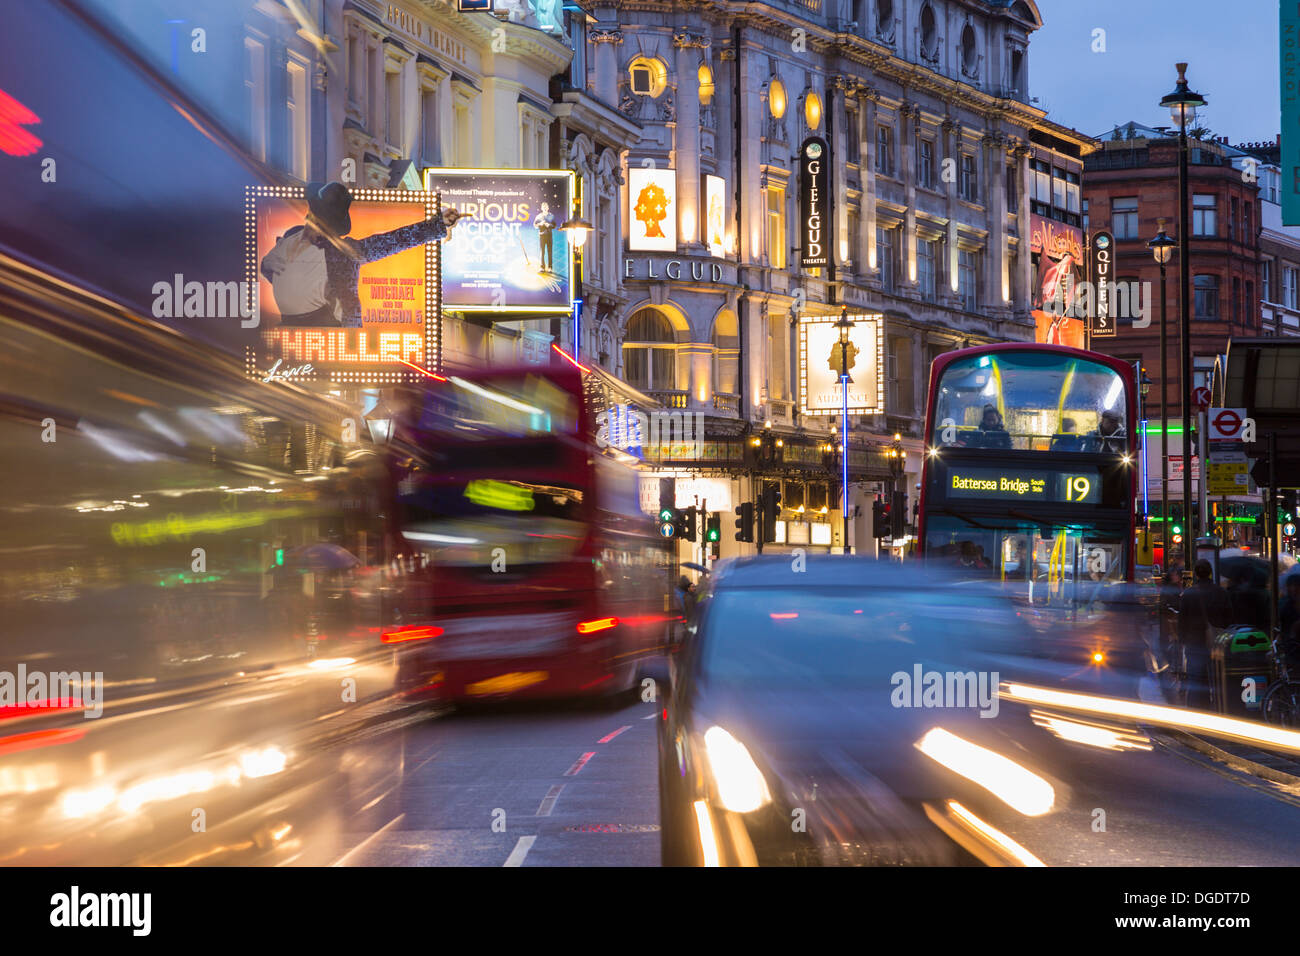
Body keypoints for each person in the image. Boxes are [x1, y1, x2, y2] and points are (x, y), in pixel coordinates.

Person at [260, 181, 465, 328]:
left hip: (325, 331)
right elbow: (269, 267)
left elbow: (391, 241)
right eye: (313, 217)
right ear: (310, 215)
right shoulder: (291, 236)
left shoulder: (343, 250)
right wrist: (269, 266)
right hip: (288, 328)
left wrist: (438, 225)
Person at [1177, 559, 1231, 708]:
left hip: (1194, 642)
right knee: (1216, 678)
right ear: (1210, 573)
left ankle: (1197, 709)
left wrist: (1182, 640)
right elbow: (1228, 618)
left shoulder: (1188, 594)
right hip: (1217, 642)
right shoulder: (1221, 592)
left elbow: (1182, 620)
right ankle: (1216, 706)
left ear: (1196, 574)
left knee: (1195, 678)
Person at [534, 201, 556, 273]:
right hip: (542, 236)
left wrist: (549, 225)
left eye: (546, 207)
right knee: (542, 252)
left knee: (550, 252)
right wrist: (540, 224)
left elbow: (554, 225)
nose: (545, 208)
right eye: (543, 207)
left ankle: (550, 267)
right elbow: (535, 225)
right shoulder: (538, 216)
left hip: (549, 235)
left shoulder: (551, 216)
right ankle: (542, 267)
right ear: (541, 208)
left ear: (548, 207)